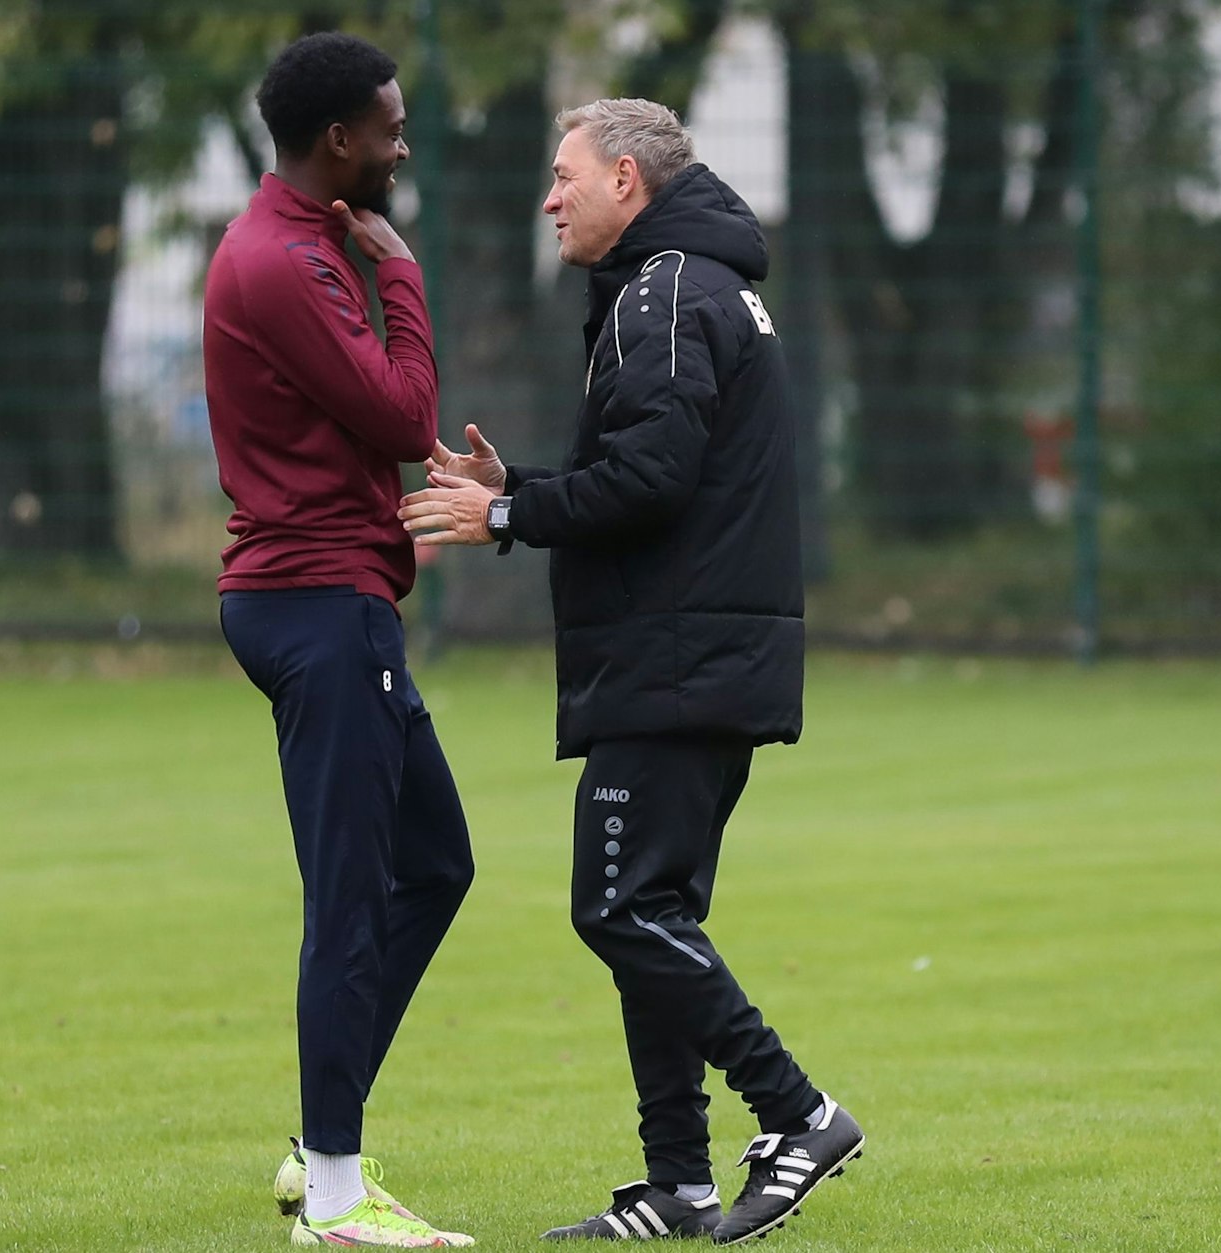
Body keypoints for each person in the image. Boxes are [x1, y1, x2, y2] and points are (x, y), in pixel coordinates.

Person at [398, 99, 863, 1246]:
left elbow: (653, 479)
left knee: (616, 908)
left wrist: (505, 509)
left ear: (623, 178)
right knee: (652, 915)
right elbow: (667, 471)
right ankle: (677, 1184)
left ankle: (799, 1113)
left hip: (676, 659)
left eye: (562, 177)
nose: (549, 198)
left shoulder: (663, 292)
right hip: (695, 650)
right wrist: (538, 481)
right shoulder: (694, 286)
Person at [202, 32, 475, 1249]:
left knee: (433, 863)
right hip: (315, 602)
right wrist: (404, 277)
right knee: (352, 898)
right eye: (391, 128)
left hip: (332, 598)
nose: (401, 146)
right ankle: (332, 1196)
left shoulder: (307, 243)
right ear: (337, 143)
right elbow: (404, 415)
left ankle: (319, 1141)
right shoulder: (285, 261)